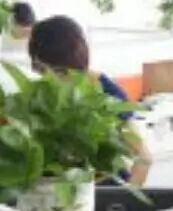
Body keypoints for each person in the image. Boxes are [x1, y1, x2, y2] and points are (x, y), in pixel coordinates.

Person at [27, 15, 150, 184]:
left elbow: (144, 159)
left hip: (105, 188)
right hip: (61, 191)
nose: (49, 78)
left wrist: (126, 196)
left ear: (75, 60)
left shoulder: (107, 93)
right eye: (40, 69)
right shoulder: (41, 96)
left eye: (59, 71)